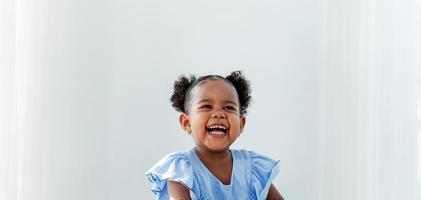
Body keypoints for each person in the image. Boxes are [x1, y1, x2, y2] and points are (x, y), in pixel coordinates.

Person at [146, 71, 284, 200]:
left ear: (241, 124)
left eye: (229, 108)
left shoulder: (252, 168)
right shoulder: (181, 169)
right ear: (187, 123)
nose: (219, 113)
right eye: (206, 106)